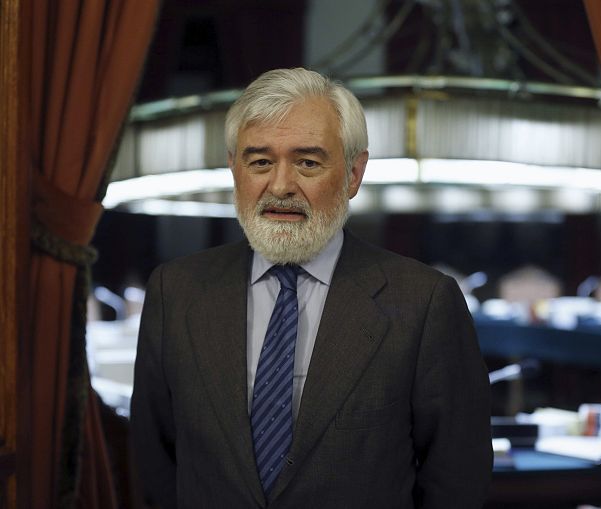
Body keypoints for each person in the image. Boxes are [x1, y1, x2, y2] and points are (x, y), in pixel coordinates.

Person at [130, 67, 493, 509]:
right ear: (234, 169)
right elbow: (155, 464)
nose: (281, 186)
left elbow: (457, 480)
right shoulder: (175, 292)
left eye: (307, 162)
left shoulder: (423, 302)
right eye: (260, 162)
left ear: (353, 174)